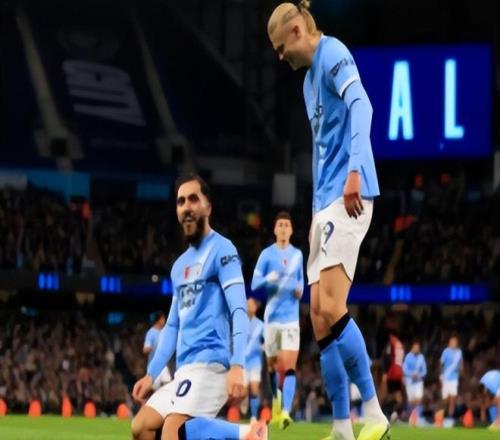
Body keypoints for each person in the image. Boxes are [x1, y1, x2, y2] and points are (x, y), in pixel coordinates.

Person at [267, 2, 389, 440]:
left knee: (333, 306)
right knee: (319, 317)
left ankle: (374, 413)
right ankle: (341, 426)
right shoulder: (307, 85)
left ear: (297, 31)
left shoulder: (334, 52)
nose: (280, 57)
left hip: (349, 193)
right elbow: (322, 150)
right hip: (327, 203)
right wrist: (315, 214)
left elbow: (363, 106)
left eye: (280, 47)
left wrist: (355, 171)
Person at [130, 174, 267, 440]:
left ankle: (249, 433)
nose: (186, 206)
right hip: (184, 370)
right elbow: (172, 326)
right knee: (141, 427)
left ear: (208, 207)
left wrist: (237, 364)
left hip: (211, 365)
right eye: (181, 201)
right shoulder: (179, 266)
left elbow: (239, 310)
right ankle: (248, 433)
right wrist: (150, 374)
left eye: (193, 199)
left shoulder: (223, 250)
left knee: (173, 431)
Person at [251, 211, 304, 429]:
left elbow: (301, 282)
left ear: (291, 230)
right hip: (271, 318)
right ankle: (275, 399)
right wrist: (267, 279)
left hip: (291, 319)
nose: (283, 228)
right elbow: (254, 284)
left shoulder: (298, 255)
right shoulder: (266, 255)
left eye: (286, 225)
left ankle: (285, 412)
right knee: (273, 366)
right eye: (280, 225)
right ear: (275, 229)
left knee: (289, 366)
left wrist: (300, 290)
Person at [243, 297, 265, 422]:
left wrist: (264, 347)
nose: (248, 307)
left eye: (251, 305)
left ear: (255, 308)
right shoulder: (241, 323)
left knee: (255, 389)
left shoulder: (260, 325)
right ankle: (243, 408)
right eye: (247, 305)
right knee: (243, 391)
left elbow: (267, 341)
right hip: (242, 362)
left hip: (255, 362)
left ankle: (254, 416)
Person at [143, 311, 172, 390]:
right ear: (159, 320)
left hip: (164, 366)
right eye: (163, 319)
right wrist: (154, 348)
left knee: (169, 386)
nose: (164, 321)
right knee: (156, 391)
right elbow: (145, 350)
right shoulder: (151, 332)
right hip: (153, 367)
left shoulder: (163, 332)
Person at [402, 340, 426, 422]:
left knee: (419, 399)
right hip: (410, 381)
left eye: (418, 348)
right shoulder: (408, 357)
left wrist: (419, 375)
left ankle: (416, 416)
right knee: (411, 400)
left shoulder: (421, 357)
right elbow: (404, 369)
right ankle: (410, 416)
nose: (417, 349)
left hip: (418, 382)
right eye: (415, 347)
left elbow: (424, 371)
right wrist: (412, 374)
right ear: (412, 347)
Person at [440, 335, 462, 420]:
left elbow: (460, 364)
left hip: (454, 378)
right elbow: (441, 364)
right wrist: (441, 375)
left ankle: (450, 418)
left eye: (455, 342)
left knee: (453, 399)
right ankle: (440, 416)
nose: (453, 343)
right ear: (449, 343)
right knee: (445, 400)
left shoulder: (459, 352)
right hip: (445, 378)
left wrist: (460, 370)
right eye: (452, 342)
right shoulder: (445, 351)